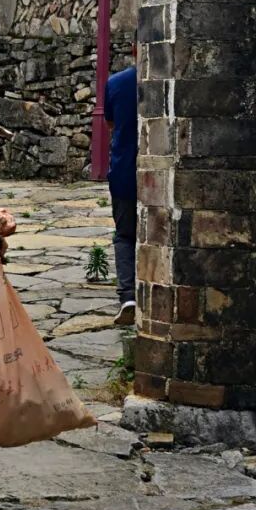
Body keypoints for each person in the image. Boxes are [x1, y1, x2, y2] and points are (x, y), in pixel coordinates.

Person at [104, 54, 138, 328]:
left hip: (126, 169)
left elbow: (111, 124)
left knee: (125, 235)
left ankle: (128, 296)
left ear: (133, 48)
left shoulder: (117, 83)